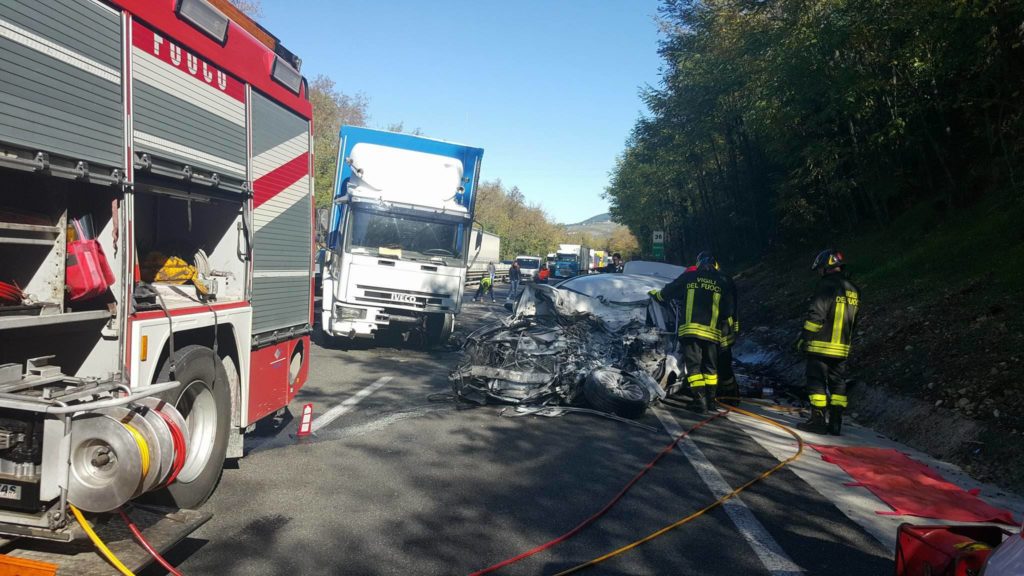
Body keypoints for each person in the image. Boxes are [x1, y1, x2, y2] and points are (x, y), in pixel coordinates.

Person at [649, 251, 734, 413]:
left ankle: (699, 402)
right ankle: (711, 402)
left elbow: (666, 294)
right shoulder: (722, 282)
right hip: (712, 334)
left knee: (694, 368)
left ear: (698, 264)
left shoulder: (690, 277)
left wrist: (655, 295)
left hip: (691, 331)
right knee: (710, 368)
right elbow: (728, 311)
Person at [795, 248, 860, 435]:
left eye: (820, 269)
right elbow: (854, 321)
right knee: (838, 384)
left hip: (820, 345)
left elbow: (816, 315)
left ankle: (817, 421)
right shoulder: (854, 289)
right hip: (842, 348)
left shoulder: (826, 285)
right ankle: (836, 422)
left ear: (825, 268)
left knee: (816, 381)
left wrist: (804, 338)